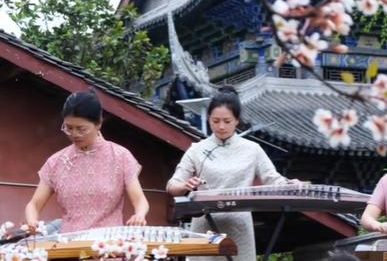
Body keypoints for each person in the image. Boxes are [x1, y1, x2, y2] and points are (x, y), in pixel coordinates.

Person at [166, 86, 299, 261]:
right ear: (208, 119)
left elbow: (273, 179)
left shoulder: (252, 149)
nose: (221, 126)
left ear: (237, 120)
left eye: (227, 121)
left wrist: (291, 184)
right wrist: (185, 185)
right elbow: (172, 186)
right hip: (204, 225)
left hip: (238, 224)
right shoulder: (197, 149)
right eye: (215, 121)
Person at [25, 90, 149, 233]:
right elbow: (34, 205)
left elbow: (140, 201)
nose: (74, 134)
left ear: (98, 124)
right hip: (69, 242)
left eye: (81, 129)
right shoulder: (56, 162)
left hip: (108, 243)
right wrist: (32, 221)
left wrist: (139, 215)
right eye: (68, 128)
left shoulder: (120, 156)